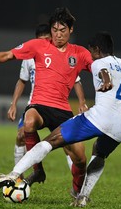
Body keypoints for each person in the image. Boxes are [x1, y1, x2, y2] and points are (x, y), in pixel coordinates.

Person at [0, 31, 121, 207]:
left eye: (91, 51)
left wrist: (107, 81)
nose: (90, 56)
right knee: (99, 153)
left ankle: (13, 174)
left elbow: (103, 71)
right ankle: (83, 197)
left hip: (99, 118)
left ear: (96, 49)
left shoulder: (99, 63)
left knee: (52, 140)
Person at [0, 7, 93, 198]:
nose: (57, 34)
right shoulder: (39, 45)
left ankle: (78, 193)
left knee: (79, 157)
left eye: (62, 30)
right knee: (28, 123)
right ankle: (38, 171)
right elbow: (8, 55)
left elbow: (97, 67)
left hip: (62, 110)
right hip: (39, 105)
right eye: (54, 30)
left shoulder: (79, 53)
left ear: (71, 30)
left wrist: (107, 80)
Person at [9, 25, 88, 183]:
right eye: (41, 40)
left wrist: (82, 101)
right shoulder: (29, 58)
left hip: (55, 107)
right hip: (35, 106)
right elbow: (22, 81)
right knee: (21, 135)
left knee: (69, 146)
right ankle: (18, 177)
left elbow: (77, 81)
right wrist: (14, 103)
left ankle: (78, 183)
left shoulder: (60, 56)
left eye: (47, 39)